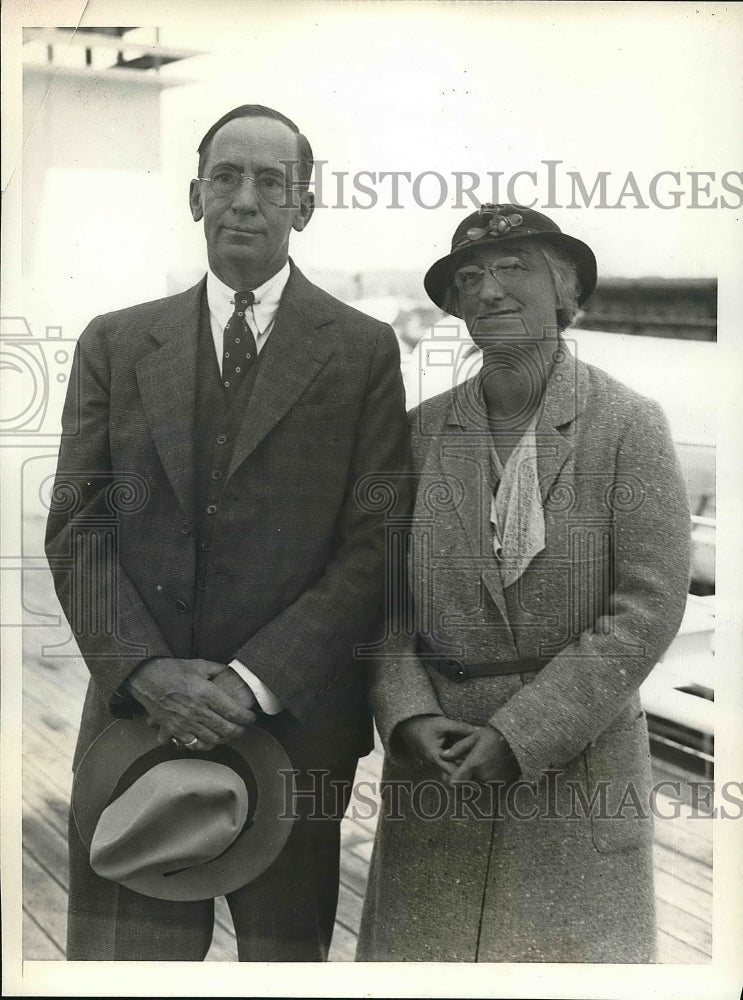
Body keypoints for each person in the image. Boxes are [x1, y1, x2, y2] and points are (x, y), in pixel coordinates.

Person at [44, 104, 410, 961]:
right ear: (195, 196)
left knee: (281, 965)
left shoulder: (362, 352)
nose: (245, 200)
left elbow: (376, 543)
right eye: (225, 178)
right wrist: (144, 672)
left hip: (294, 732)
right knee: (123, 969)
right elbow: (78, 529)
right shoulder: (116, 342)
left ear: (304, 206)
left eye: (270, 183)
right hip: (134, 727)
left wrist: (251, 683)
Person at [356, 203, 692, 963]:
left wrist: (522, 734)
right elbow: (379, 602)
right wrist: (406, 714)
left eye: (514, 270)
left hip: (576, 772)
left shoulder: (627, 425)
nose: (489, 289)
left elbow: (648, 606)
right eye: (468, 277)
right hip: (436, 773)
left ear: (564, 293)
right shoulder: (417, 432)